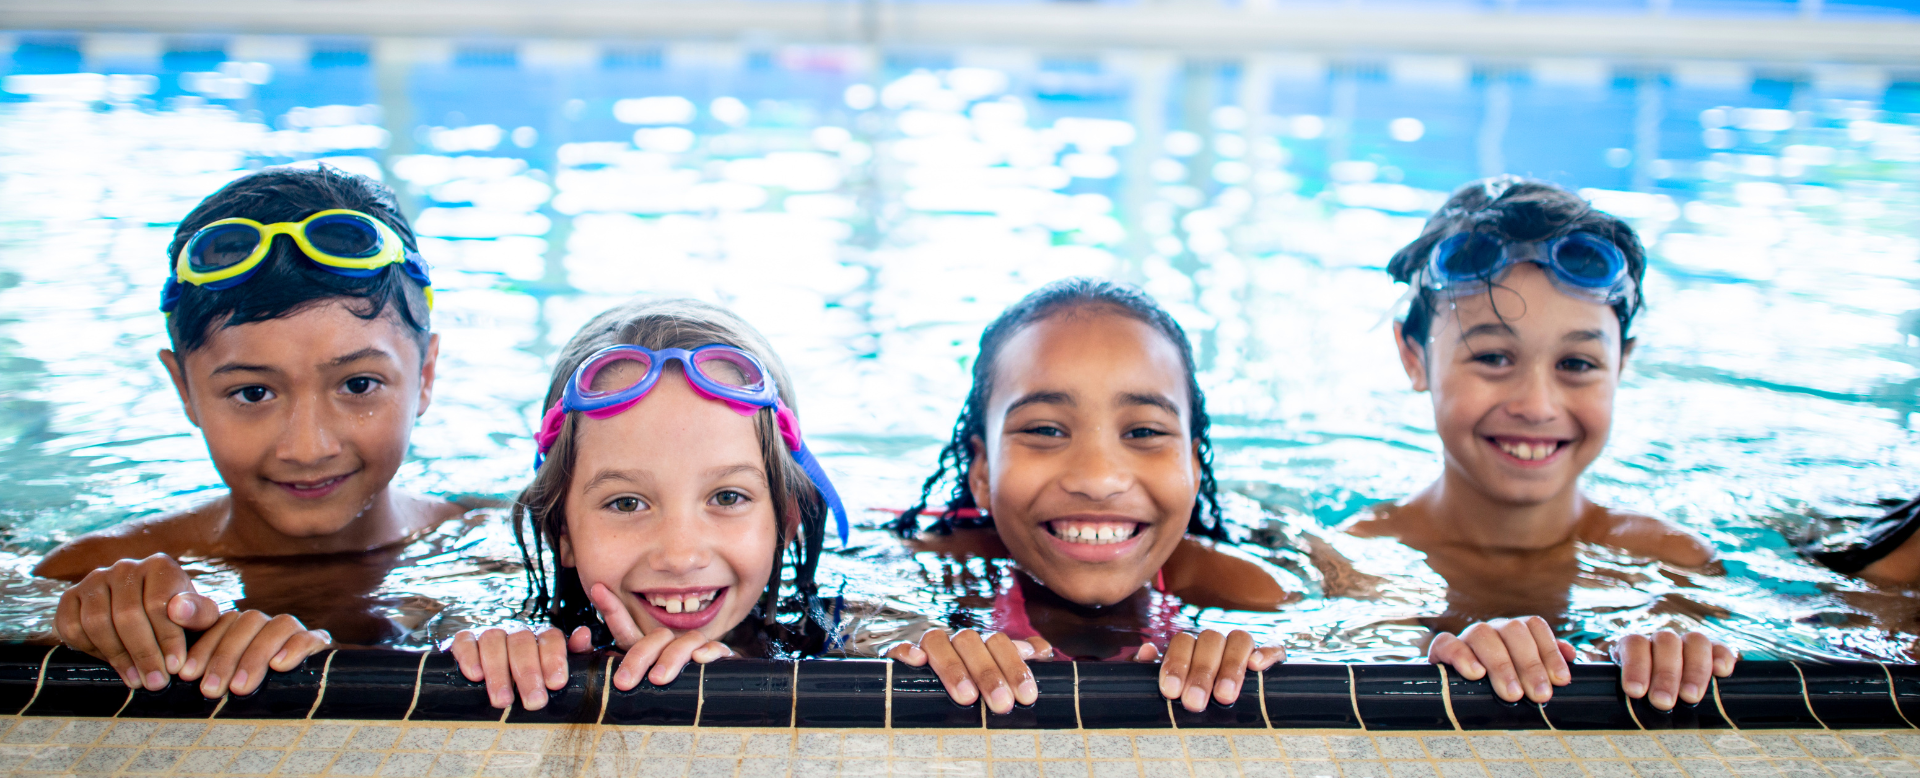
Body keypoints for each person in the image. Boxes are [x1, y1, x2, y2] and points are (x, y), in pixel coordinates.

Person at [37, 166, 452, 697]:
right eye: (253, 393)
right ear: (183, 388)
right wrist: (103, 622)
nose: (308, 448)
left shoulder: (506, 549)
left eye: (358, 384)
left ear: (424, 377)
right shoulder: (82, 576)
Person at [1352, 175, 1736, 710]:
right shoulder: (1358, 558)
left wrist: (1676, 660)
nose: (1536, 405)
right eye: (1492, 358)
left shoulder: (1671, 562)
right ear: (1414, 357)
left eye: (1576, 364)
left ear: (1621, 364)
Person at [887, 278, 1290, 715]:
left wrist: (1257, 656)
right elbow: (867, 627)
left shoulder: (1253, 593)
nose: (1098, 480)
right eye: (1045, 430)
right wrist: (905, 643)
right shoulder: (926, 573)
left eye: (1144, 432)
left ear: (1193, 469)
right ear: (982, 471)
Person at [448, 298, 849, 710]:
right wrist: (500, 647)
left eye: (728, 497)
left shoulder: (844, 636)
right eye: (626, 503)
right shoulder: (506, 621)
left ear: (786, 519)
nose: (680, 556)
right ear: (562, 529)